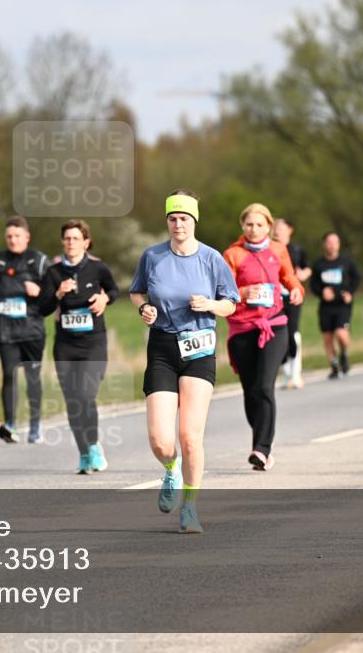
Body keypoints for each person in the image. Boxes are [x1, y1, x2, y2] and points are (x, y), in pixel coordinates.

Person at [129, 190, 239, 534]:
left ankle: (190, 507)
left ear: (194, 222)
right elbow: (137, 291)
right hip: (162, 346)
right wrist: (143, 308)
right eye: (173, 219)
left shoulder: (211, 258)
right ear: (167, 222)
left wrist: (210, 305)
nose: (178, 225)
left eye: (184, 219)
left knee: (190, 436)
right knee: (161, 440)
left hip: (200, 348)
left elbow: (231, 303)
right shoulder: (152, 256)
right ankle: (171, 468)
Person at [223, 204, 304, 472]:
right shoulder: (233, 254)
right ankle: (261, 441)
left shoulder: (278, 250)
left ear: (268, 226)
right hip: (243, 328)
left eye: (259, 225)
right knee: (250, 391)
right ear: (242, 227)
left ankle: (261, 448)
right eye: (249, 225)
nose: (254, 229)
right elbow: (223, 292)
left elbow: (289, 277)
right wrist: (243, 293)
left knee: (264, 386)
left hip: (274, 325)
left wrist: (295, 290)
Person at [39, 220, 119, 474]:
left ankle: (94, 446)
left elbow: (115, 290)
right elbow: (42, 308)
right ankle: (84, 453)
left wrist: (105, 298)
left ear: (86, 242)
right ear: (63, 242)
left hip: (93, 343)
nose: (71, 242)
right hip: (65, 346)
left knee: (85, 394)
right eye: (67, 238)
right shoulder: (53, 272)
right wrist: (59, 294)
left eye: (76, 238)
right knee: (73, 401)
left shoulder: (97, 268)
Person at [0, 216, 50, 443]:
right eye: (9, 236)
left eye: (17, 236)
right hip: (6, 329)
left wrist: (38, 289)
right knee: (9, 375)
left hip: (32, 330)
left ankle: (35, 426)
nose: (12, 240)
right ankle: (10, 424)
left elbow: (49, 291)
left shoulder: (39, 261)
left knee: (33, 378)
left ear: (27, 237)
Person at [309, 231, 362, 379]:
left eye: (335, 242)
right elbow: (313, 285)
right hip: (326, 306)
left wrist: (350, 292)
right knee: (327, 337)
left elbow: (357, 277)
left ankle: (344, 353)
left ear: (339, 245)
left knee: (341, 334)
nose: (332, 245)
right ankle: (334, 365)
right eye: (329, 242)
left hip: (342, 305)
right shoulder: (319, 264)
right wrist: (321, 292)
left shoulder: (346, 262)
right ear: (324, 244)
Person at [272, 218, 311, 389]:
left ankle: (296, 374)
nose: (277, 231)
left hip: (292, 296)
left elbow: (307, 268)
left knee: (293, 332)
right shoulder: (269, 248)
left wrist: (304, 274)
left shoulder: (297, 249)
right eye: (275, 227)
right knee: (278, 333)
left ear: (289, 230)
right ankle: (286, 373)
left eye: (280, 227)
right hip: (274, 297)